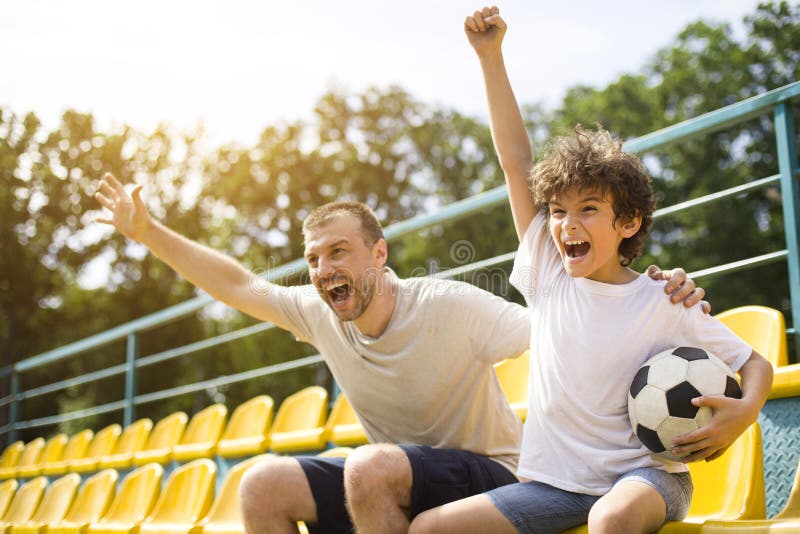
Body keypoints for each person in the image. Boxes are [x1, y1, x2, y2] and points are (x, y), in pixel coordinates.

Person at [94, 173, 704, 530]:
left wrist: (647, 292)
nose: (322, 269)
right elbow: (236, 283)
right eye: (312, 259)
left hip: (488, 473)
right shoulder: (316, 311)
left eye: (337, 252)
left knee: (371, 466)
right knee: (262, 485)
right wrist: (147, 231)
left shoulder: (449, 305)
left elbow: (566, 332)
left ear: (378, 254)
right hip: (395, 476)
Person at [407, 7, 775, 534]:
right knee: (427, 529)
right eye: (558, 211)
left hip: (646, 481)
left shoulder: (663, 300)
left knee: (611, 518)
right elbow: (516, 161)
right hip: (553, 487)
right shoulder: (549, 274)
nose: (566, 224)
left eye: (588, 209)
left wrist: (744, 413)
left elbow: (755, 362)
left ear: (627, 222)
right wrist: (490, 58)